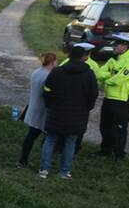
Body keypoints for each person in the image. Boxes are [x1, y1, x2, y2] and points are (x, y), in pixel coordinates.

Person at [40, 44, 99, 179]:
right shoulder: (89, 74)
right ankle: (64, 172)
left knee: (50, 139)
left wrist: (50, 105)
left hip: (56, 112)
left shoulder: (57, 71)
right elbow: (93, 94)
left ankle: (44, 170)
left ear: (69, 55)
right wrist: (87, 108)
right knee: (70, 142)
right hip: (78, 114)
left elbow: (47, 90)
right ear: (84, 58)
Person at [95, 34, 129, 161]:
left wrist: (106, 78)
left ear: (125, 46)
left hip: (122, 100)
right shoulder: (114, 58)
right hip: (109, 97)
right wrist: (109, 76)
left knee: (120, 128)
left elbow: (118, 80)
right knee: (105, 126)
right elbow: (99, 73)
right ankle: (106, 149)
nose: (113, 47)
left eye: (116, 45)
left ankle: (119, 153)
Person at [18, 51, 58, 168]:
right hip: (43, 110)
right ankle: (44, 162)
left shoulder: (36, 72)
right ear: (52, 62)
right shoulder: (48, 76)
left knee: (31, 136)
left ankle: (22, 160)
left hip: (33, 107)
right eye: (56, 61)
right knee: (46, 138)